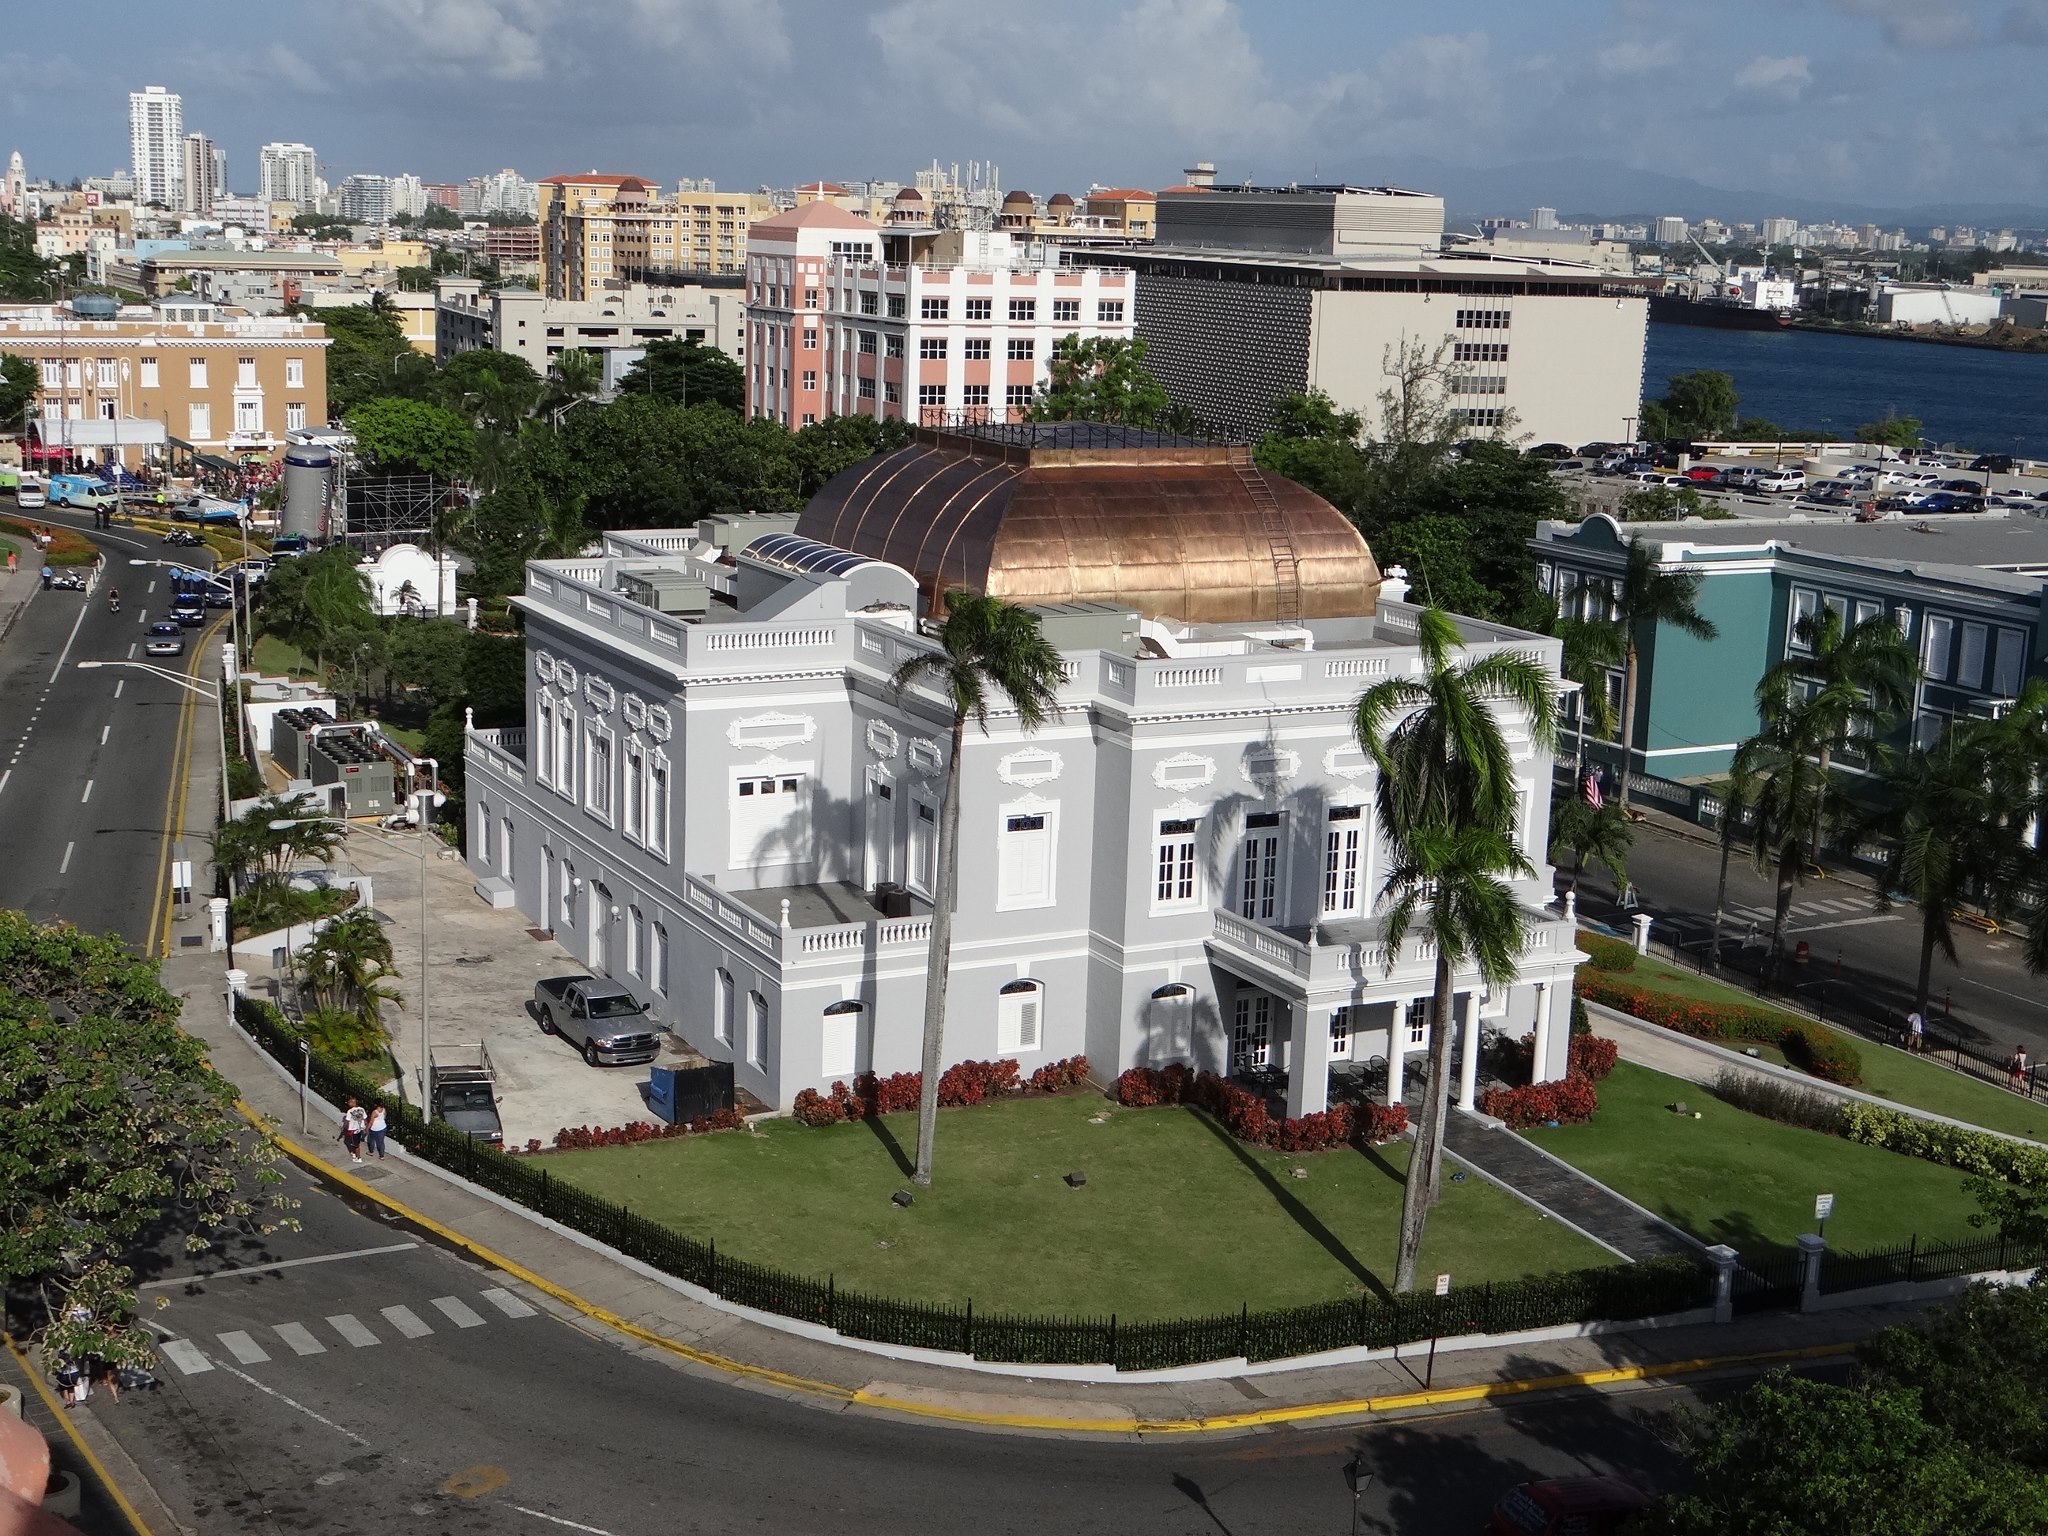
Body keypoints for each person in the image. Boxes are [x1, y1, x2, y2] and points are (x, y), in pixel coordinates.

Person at [339, 1098, 368, 1164]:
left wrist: (344, 1128)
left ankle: (358, 1157)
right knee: (355, 1142)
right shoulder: (362, 1109)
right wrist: (366, 1129)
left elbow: (347, 1121)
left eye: (349, 1102)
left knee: (356, 1144)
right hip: (360, 1129)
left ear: (352, 1103)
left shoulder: (350, 1111)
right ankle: (354, 1153)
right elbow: (365, 1119)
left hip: (354, 1130)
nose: (348, 1104)